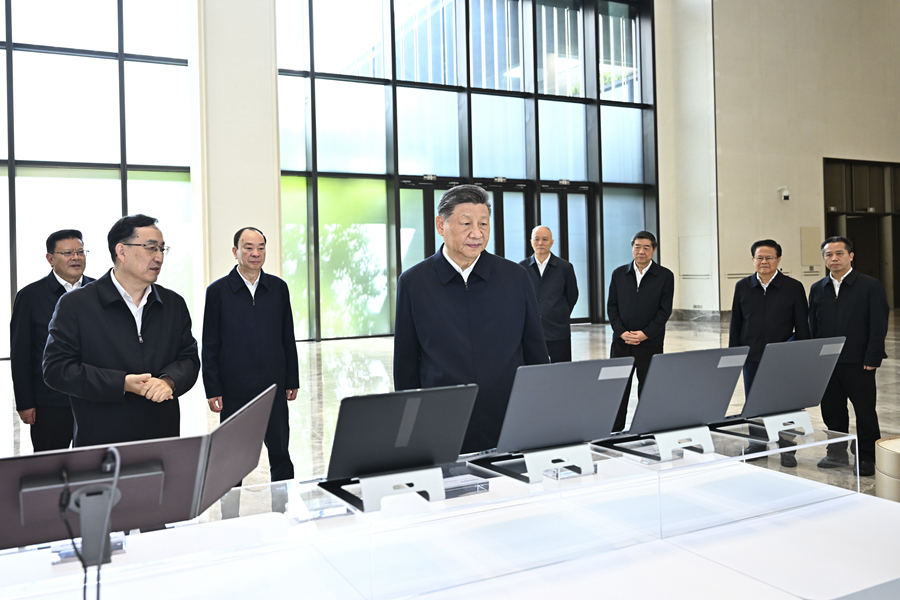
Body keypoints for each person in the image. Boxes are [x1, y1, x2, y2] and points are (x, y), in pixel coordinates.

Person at [393, 184, 549, 453]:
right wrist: (410, 428)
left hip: (507, 416)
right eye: (466, 223)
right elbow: (405, 364)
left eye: (483, 224)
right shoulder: (414, 282)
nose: (477, 233)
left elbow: (535, 350)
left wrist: (539, 412)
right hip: (443, 419)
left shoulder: (515, 277)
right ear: (440, 225)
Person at [43, 215, 200, 447]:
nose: (159, 257)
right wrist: (121, 383)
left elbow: (189, 358)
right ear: (122, 251)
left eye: (161, 249)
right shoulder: (76, 304)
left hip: (162, 437)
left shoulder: (173, 303)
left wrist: (169, 381)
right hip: (101, 440)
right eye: (151, 248)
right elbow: (56, 369)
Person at [202, 227, 299, 483]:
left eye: (261, 247)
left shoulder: (278, 288)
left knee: (280, 453)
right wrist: (213, 388)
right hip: (234, 389)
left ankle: (284, 503)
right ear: (235, 251)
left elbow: (287, 337)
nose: (255, 253)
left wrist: (292, 380)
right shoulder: (218, 291)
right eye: (248, 247)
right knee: (232, 458)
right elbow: (210, 344)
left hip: (273, 387)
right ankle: (230, 507)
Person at [809, 236, 890, 477]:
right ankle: (836, 453)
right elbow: (813, 326)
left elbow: (878, 324)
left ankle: (867, 456)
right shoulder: (817, 288)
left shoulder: (870, 286)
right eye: (828, 254)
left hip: (858, 362)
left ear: (851, 256)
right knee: (832, 411)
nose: (834, 258)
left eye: (839, 253)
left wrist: (872, 357)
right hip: (827, 363)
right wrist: (815, 359)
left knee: (864, 412)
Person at [11, 230, 95, 451]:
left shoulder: (100, 291)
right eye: (67, 253)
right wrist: (25, 402)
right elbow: (21, 353)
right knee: (49, 465)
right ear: (50, 258)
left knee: (93, 462)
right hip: (49, 402)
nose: (75, 257)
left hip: (94, 398)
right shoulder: (30, 295)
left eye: (80, 252)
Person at [729, 239, 810, 467]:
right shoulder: (743, 286)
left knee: (785, 403)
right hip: (752, 356)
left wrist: (801, 353)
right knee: (754, 403)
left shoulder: (793, 287)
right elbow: (736, 323)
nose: (764, 262)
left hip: (782, 358)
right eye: (759, 258)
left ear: (778, 259)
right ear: (753, 259)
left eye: (769, 257)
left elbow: (802, 325)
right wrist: (734, 355)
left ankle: (787, 447)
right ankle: (757, 444)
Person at [607, 231, 675, 432]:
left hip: (650, 343)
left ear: (654, 250)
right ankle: (614, 430)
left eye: (646, 247)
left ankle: (647, 429)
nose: (641, 251)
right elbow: (611, 307)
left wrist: (645, 334)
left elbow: (664, 311)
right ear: (632, 248)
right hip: (621, 343)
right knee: (618, 388)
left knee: (649, 389)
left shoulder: (665, 276)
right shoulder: (619, 274)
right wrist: (621, 332)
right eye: (637, 246)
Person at [519, 226, 579, 363]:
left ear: (552, 242)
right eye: (536, 239)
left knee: (561, 370)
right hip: (530, 331)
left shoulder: (565, 267)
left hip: (558, 331)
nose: (540, 243)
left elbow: (572, 296)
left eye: (545, 239)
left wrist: (559, 313)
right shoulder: (521, 268)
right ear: (531, 242)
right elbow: (518, 298)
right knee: (532, 370)